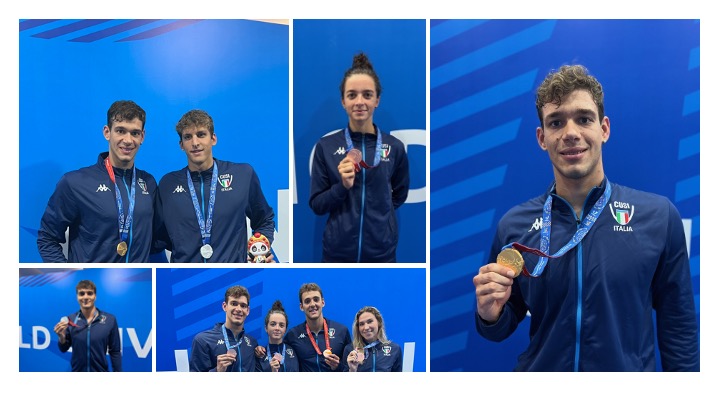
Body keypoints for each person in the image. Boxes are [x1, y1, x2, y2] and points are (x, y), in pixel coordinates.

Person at [472, 65, 699, 372]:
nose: (570, 133)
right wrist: (490, 314)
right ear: (542, 138)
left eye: (583, 119)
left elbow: (679, 330)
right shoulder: (515, 224)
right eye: (556, 122)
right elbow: (501, 326)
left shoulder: (658, 216)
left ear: (603, 129)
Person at [309, 52, 409, 262]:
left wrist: (382, 218)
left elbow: (398, 195)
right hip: (337, 255)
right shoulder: (326, 146)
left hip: (382, 254)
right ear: (343, 101)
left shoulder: (395, 147)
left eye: (367, 94)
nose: (359, 102)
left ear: (377, 100)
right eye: (352, 95)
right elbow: (318, 204)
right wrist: (341, 187)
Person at [37, 100, 159, 263]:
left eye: (134, 133)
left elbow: (155, 244)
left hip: (138, 285)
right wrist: (70, 277)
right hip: (95, 286)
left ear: (142, 136)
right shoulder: (75, 183)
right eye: (120, 131)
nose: (128, 140)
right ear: (107, 132)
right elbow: (47, 239)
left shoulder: (148, 183)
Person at [157, 109, 276, 263]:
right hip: (184, 279)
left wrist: (260, 251)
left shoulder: (242, 174)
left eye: (201, 134)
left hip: (233, 274)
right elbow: (161, 237)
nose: (195, 143)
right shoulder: (168, 184)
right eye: (188, 137)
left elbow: (265, 219)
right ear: (181, 145)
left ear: (213, 139)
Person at [53, 280, 121, 372]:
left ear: (95, 296)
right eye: (81, 294)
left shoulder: (110, 319)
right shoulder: (71, 320)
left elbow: (115, 352)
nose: (85, 297)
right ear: (77, 297)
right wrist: (61, 337)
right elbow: (63, 349)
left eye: (89, 293)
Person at [189, 285, 258, 372]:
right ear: (224, 306)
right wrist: (217, 371)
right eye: (234, 304)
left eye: (243, 305)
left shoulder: (252, 343)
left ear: (248, 310)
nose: (238, 309)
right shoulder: (203, 340)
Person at [284, 283, 351, 371]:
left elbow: (351, 366)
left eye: (316, 299)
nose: (312, 304)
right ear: (301, 307)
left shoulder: (341, 331)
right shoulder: (293, 335)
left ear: (322, 302)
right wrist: (259, 350)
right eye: (307, 301)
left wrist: (338, 366)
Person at [343, 306, 402, 372]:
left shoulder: (394, 349)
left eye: (370, 321)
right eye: (361, 324)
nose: (366, 327)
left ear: (379, 322)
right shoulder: (350, 349)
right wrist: (352, 370)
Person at [254, 300, 299, 372]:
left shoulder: (294, 351)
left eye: (281, 325)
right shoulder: (261, 355)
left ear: (285, 329)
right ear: (266, 328)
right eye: (273, 324)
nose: (277, 328)